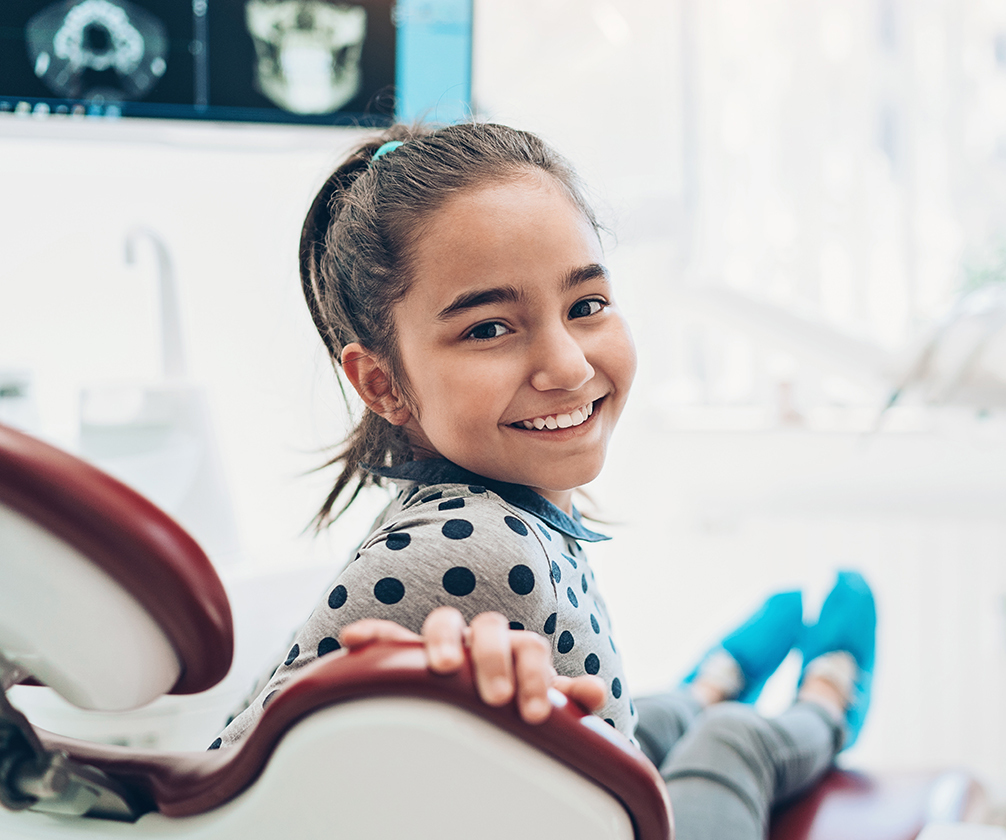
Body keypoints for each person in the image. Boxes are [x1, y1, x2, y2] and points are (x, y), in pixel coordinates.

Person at [214, 122, 877, 840]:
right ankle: (826, 702)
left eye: (585, 307)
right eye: (490, 328)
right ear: (382, 383)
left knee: (645, 721)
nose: (566, 366)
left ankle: (704, 690)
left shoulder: (482, 515)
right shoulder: (481, 556)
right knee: (735, 745)